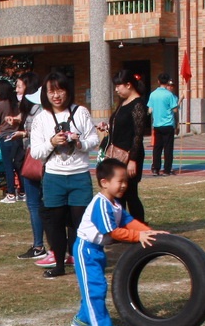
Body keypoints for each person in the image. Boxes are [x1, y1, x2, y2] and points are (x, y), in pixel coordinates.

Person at [72, 159, 167, 326]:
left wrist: (150, 232)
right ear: (104, 183)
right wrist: (137, 237)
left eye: (126, 181)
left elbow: (128, 221)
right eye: (120, 181)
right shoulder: (100, 204)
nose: (124, 185)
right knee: (95, 287)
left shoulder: (114, 204)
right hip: (86, 250)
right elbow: (113, 232)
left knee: (96, 284)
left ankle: (83, 318)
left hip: (97, 250)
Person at [28, 72, 99, 278]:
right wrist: (52, 142)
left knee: (80, 223)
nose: (56, 95)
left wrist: (79, 143)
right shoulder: (41, 118)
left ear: (67, 91)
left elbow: (93, 139)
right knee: (54, 223)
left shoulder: (80, 112)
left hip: (79, 175)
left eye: (60, 90)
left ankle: (80, 260)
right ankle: (59, 264)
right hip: (53, 177)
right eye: (51, 91)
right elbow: (36, 152)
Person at [102, 69, 150, 222]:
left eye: (118, 86)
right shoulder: (123, 103)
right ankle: (122, 226)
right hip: (116, 155)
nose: (116, 90)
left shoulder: (138, 105)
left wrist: (133, 160)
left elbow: (137, 134)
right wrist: (108, 127)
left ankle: (139, 226)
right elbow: (123, 127)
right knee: (118, 193)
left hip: (129, 155)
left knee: (130, 193)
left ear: (129, 85)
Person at [15, 74, 47, 261]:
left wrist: (24, 133)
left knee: (36, 204)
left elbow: (39, 135)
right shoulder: (34, 109)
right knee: (38, 204)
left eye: (20, 87)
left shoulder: (39, 110)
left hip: (37, 160)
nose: (18, 91)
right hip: (35, 158)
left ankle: (39, 246)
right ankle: (41, 245)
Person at [0, 79, 23, 203]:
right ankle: (22, 192)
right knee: (19, 165)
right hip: (18, 136)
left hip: (6, 137)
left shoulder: (0, 104)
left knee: (8, 166)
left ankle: (11, 194)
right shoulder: (17, 103)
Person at [146, 73, 179, 175]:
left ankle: (156, 168)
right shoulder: (169, 95)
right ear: (167, 82)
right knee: (168, 148)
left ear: (158, 81)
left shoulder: (153, 94)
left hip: (157, 124)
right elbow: (175, 110)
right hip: (168, 124)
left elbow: (149, 110)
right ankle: (167, 169)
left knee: (157, 147)